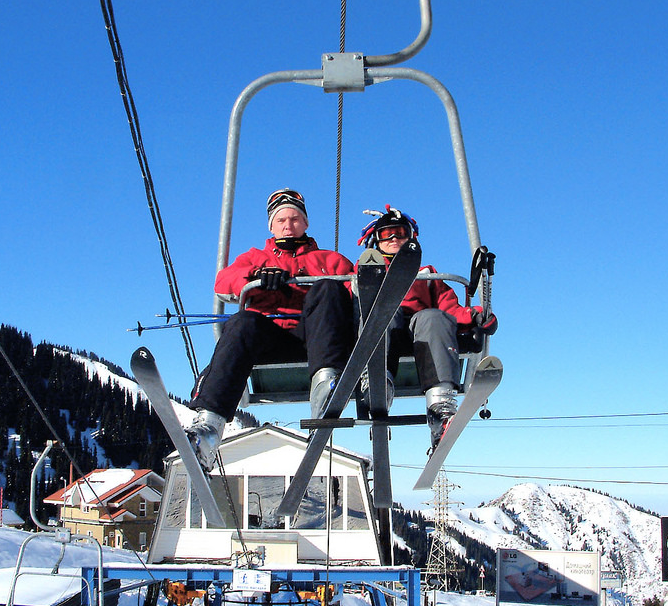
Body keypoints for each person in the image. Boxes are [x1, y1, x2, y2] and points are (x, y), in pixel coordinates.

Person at [186, 188, 355, 468]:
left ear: (306, 223)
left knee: (328, 287)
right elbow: (223, 283)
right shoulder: (255, 258)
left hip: (315, 335)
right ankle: (208, 429)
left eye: (295, 219)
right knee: (241, 322)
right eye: (281, 220)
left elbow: (356, 289)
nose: (289, 225)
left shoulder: (330, 260)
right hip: (269, 336)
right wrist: (253, 277)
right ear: (272, 225)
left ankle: (325, 391)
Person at [355, 206, 498, 447]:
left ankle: (440, 408)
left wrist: (475, 316)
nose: (394, 239)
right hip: (383, 332)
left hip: (419, 334)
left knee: (433, 316)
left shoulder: (426, 275)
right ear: (374, 240)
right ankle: (376, 383)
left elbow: (449, 308)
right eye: (386, 234)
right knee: (384, 312)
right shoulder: (362, 272)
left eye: (400, 233)